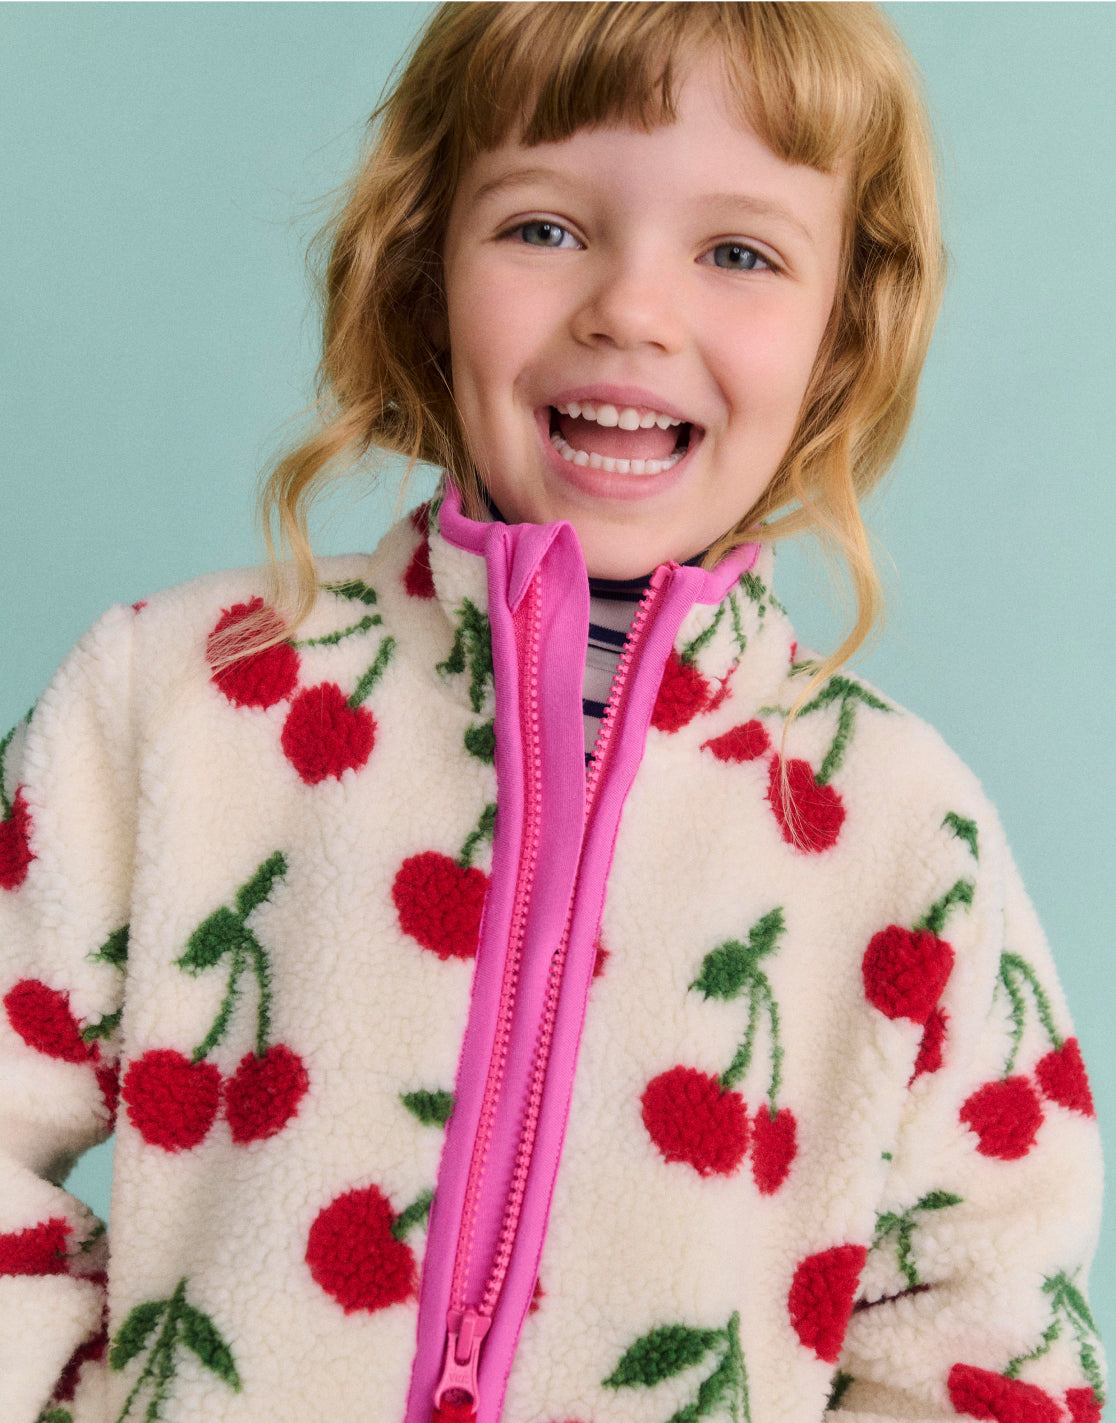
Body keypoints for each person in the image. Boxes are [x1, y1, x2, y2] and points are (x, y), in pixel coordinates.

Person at [0, 5, 1104, 1423]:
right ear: (422, 262)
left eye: (738, 253)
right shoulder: (174, 698)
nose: (631, 311)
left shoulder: (905, 832)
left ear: (843, 331)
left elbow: (993, 1332)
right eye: (545, 228)